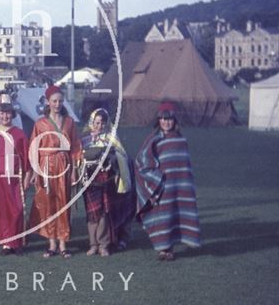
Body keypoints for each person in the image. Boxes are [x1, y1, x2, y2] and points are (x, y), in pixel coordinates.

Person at [135, 102, 201, 261]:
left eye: (169, 119)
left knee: (175, 217)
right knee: (162, 217)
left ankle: (170, 249)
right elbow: (141, 161)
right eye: (163, 119)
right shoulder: (154, 140)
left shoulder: (181, 140)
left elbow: (185, 166)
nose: (166, 122)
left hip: (179, 188)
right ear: (158, 120)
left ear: (175, 120)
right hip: (162, 188)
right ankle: (162, 249)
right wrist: (155, 180)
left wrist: (188, 186)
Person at [26, 85, 81, 259]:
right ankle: (51, 243)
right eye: (54, 101)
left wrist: (73, 170)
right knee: (48, 204)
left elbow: (75, 146)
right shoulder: (40, 123)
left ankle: (63, 242)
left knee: (63, 203)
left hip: (63, 165)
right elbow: (33, 147)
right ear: (48, 102)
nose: (57, 104)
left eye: (60, 101)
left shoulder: (69, 122)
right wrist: (35, 170)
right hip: (46, 166)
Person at [80, 108, 134, 257]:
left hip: (106, 179)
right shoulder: (84, 138)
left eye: (102, 123)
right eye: (97, 123)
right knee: (92, 213)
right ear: (92, 122)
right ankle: (93, 245)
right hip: (89, 181)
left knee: (104, 212)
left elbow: (121, 154)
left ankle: (103, 245)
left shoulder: (111, 136)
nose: (100, 126)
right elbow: (78, 157)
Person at [0, 102, 31, 255]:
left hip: (15, 178)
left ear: (13, 114)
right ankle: (7, 244)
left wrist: (28, 175)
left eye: (8, 113)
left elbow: (26, 157)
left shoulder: (19, 133)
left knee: (16, 208)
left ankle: (17, 241)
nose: (5, 116)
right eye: (2, 113)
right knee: (2, 209)